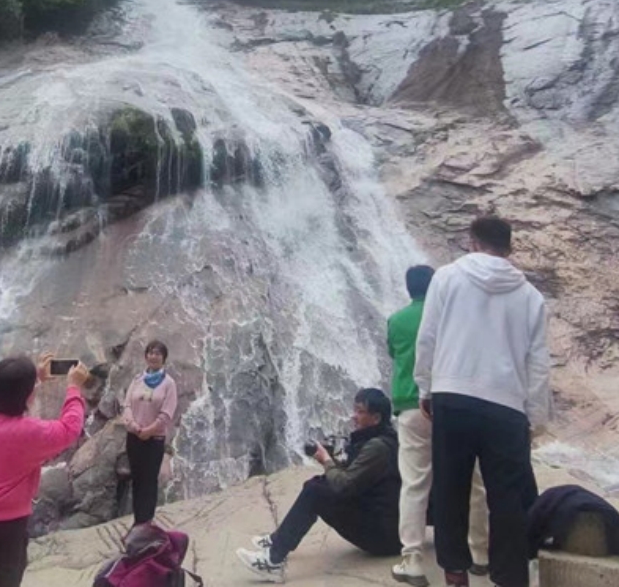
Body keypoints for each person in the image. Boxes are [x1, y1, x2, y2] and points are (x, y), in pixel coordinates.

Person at [414, 216, 550, 587]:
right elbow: (538, 362)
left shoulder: (446, 277)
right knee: (507, 497)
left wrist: (424, 386)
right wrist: (535, 417)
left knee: (450, 486)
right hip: (506, 404)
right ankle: (509, 578)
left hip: (452, 395)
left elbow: (427, 336)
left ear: (471, 242)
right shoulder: (530, 296)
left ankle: (455, 574)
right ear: (509, 248)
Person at [235, 388, 403, 583]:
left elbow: (344, 486)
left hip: (384, 537)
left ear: (375, 418)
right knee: (319, 484)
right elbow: (357, 478)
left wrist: (326, 461)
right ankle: (277, 540)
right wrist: (333, 458)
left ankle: (273, 561)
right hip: (388, 528)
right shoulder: (384, 438)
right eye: (354, 410)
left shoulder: (378, 447)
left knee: (315, 492)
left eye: (360, 412)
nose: (353, 416)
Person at [389, 266, 490, 587]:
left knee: (415, 483)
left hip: (411, 406)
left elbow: (394, 354)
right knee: (474, 481)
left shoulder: (396, 321)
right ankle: (480, 554)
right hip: (455, 404)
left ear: (408, 289)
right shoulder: (453, 318)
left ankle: (413, 559)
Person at [0, 353, 90, 587]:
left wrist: (35, 380)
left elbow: (8, 397)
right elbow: (70, 428)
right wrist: (74, 388)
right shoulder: (28, 433)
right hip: (5, 530)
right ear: (27, 395)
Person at [121, 340, 179, 526]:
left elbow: (167, 413)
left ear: (164, 358)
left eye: (158, 353)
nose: (153, 356)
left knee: (149, 482)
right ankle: (138, 522)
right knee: (137, 480)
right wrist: (133, 425)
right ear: (146, 356)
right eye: (150, 353)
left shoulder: (169, 384)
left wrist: (149, 430)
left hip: (154, 439)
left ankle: (147, 522)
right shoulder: (137, 379)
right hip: (134, 437)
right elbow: (127, 404)